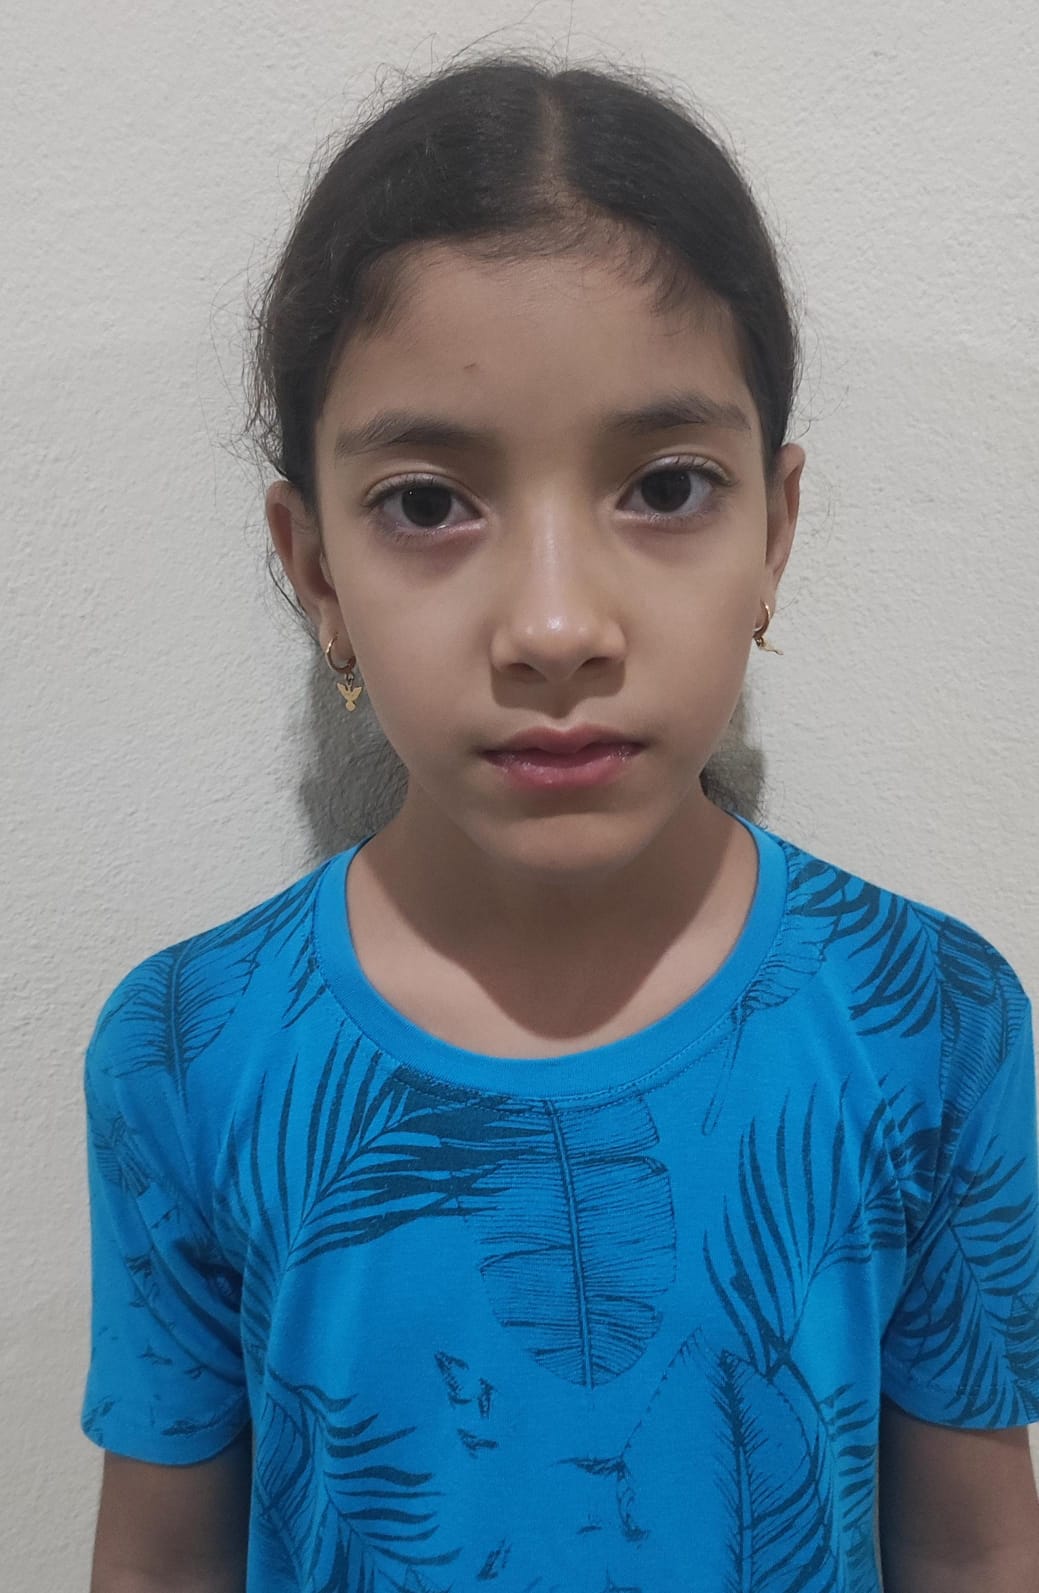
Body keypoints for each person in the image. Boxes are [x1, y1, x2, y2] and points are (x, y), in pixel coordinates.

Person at [81, 48, 1039, 1593]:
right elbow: (157, 1564)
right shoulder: (187, 1049)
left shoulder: (933, 1019)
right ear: (315, 569)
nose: (553, 626)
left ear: (777, 531)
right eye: (427, 503)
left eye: (666, 487)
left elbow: (979, 1550)